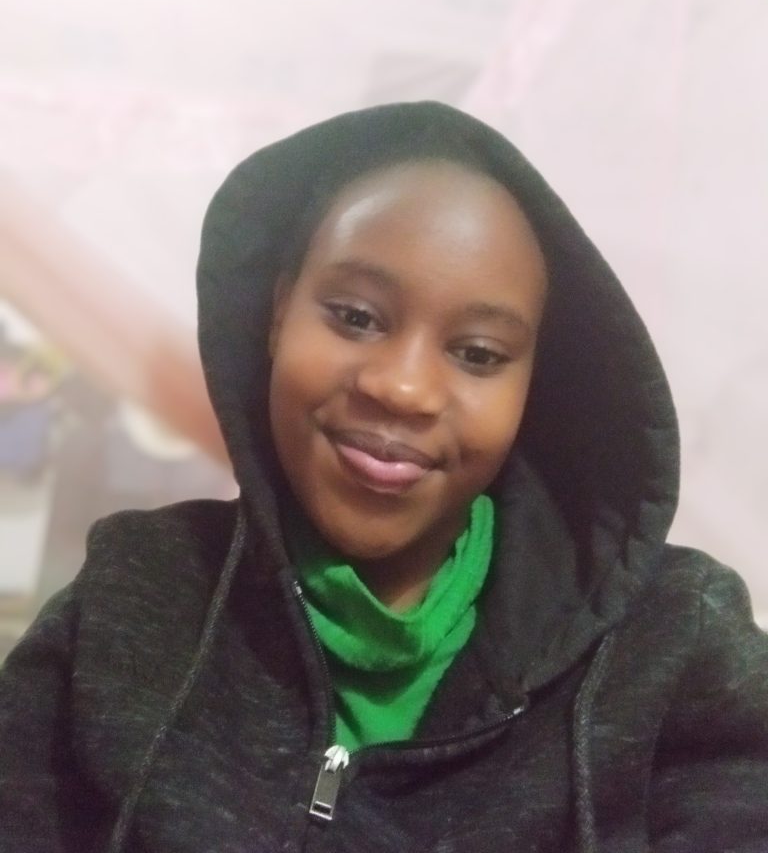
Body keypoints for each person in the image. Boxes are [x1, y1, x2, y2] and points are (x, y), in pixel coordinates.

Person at [0, 101, 766, 852]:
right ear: (279, 312)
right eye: (356, 316)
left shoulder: (676, 643)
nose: (402, 388)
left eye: (478, 354)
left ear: (533, 383)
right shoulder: (136, 589)